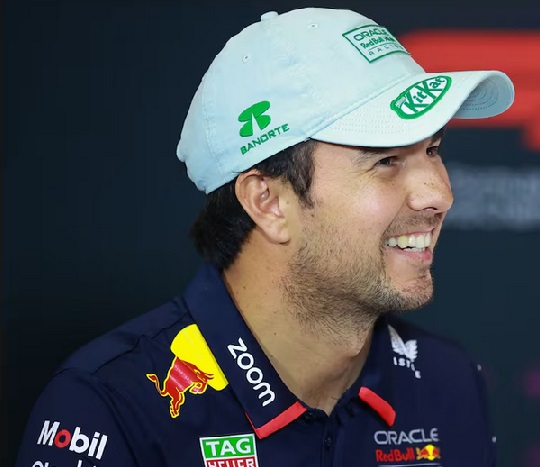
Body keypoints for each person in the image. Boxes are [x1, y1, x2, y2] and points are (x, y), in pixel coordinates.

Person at [14, 7, 514, 467]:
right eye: (386, 161)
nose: (439, 194)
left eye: (433, 150)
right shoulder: (109, 409)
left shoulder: (446, 381)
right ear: (268, 202)